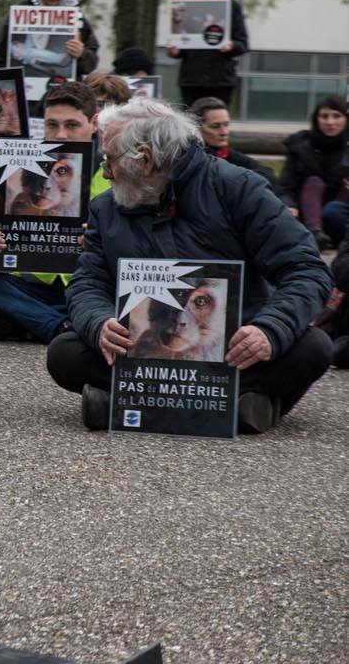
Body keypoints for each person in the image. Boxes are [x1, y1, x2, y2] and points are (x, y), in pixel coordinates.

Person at [46, 97, 333, 433]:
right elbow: (87, 282)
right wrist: (99, 324)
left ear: (146, 158)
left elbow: (306, 269)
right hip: (146, 352)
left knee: (313, 348)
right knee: (64, 353)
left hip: (233, 351)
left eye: (110, 160)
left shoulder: (237, 188)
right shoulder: (106, 208)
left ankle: (123, 406)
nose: (104, 171)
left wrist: (268, 330)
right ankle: (240, 407)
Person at [0, 81, 108, 343]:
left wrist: (99, 242)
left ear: (94, 123)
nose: (60, 135)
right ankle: (58, 325)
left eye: (71, 125)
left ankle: (23, 320)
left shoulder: (114, 172)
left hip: (89, 290)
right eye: (52, 125)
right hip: (25, 288)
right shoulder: (19, 162)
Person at [188, 96, 292, 208]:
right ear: (197, 128)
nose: (224, 132)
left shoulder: (228, 154)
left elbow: (267, 176)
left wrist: (286, 202)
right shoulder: (190, 159)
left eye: (226, 125)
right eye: (215, 126)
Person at [278, 95, 347, 250]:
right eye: (324, 116)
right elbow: (284, 186)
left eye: (337, 116)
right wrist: (289, 205)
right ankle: (315, 233)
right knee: (313, 181)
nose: (330, 122)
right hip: (307, 214)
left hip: (340, 215)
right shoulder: (301, 147)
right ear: (316, 119)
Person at [166, 0, 249, 108]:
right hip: (191, 81)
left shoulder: (232, 6)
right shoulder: (186, 6)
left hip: (221, 81)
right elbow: (181, 47)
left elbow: (243, 44)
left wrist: (232, 46)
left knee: (218, 120)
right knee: (191, 122)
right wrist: (174, 51)